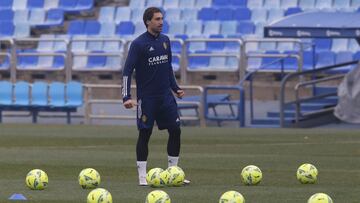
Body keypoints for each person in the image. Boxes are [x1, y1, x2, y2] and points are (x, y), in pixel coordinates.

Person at [122, 7, 189, 186]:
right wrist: (126, 97)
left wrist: (175, 88)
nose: (161, 22)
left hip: (166, 97)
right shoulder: (138, 44)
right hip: (148, 99)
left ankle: (173, 172)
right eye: (157, 19)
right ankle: (142, 175)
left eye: (162, 19)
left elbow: (168, 68)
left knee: (176, 130)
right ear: (148, 22)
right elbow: (127, 71)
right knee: (145, 133)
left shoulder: (165, 41)